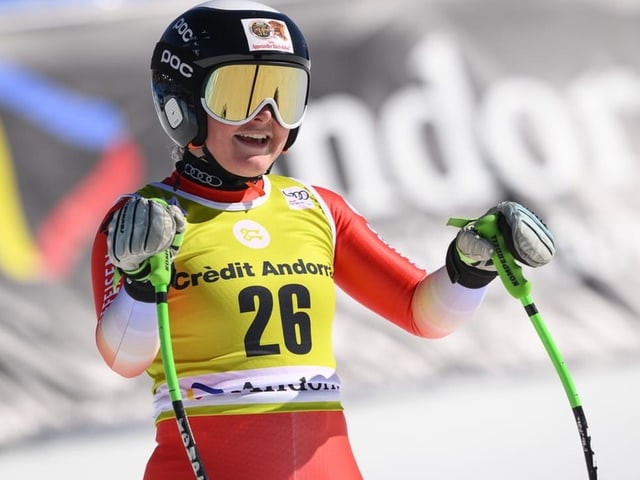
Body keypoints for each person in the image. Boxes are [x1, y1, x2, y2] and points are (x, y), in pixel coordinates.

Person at [90, 1, 555, 479]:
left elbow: (422, 312)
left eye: (283, 94)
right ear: (182, 104)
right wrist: (142, 284)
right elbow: (124, 358)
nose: (264, 115)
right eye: (237, 95)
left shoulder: (317, 209)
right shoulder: (145, 221)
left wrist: (469, 266)